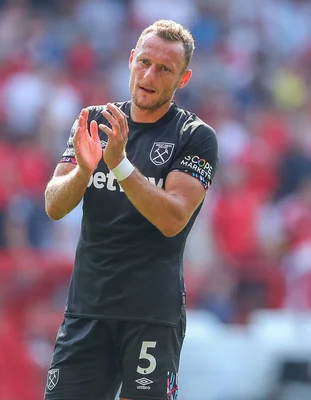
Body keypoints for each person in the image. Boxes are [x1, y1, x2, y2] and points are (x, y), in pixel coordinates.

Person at [43, 19, 218, 400]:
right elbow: (54, 205)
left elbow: (173, 218)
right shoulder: (93, 121)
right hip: (88, 310)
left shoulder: (195, 137)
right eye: (144, 62)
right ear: (130, 60)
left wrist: (119, 165)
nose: (149, 75)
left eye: (164, 69)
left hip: (152, 316)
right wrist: (84, 172)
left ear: (182, 80)